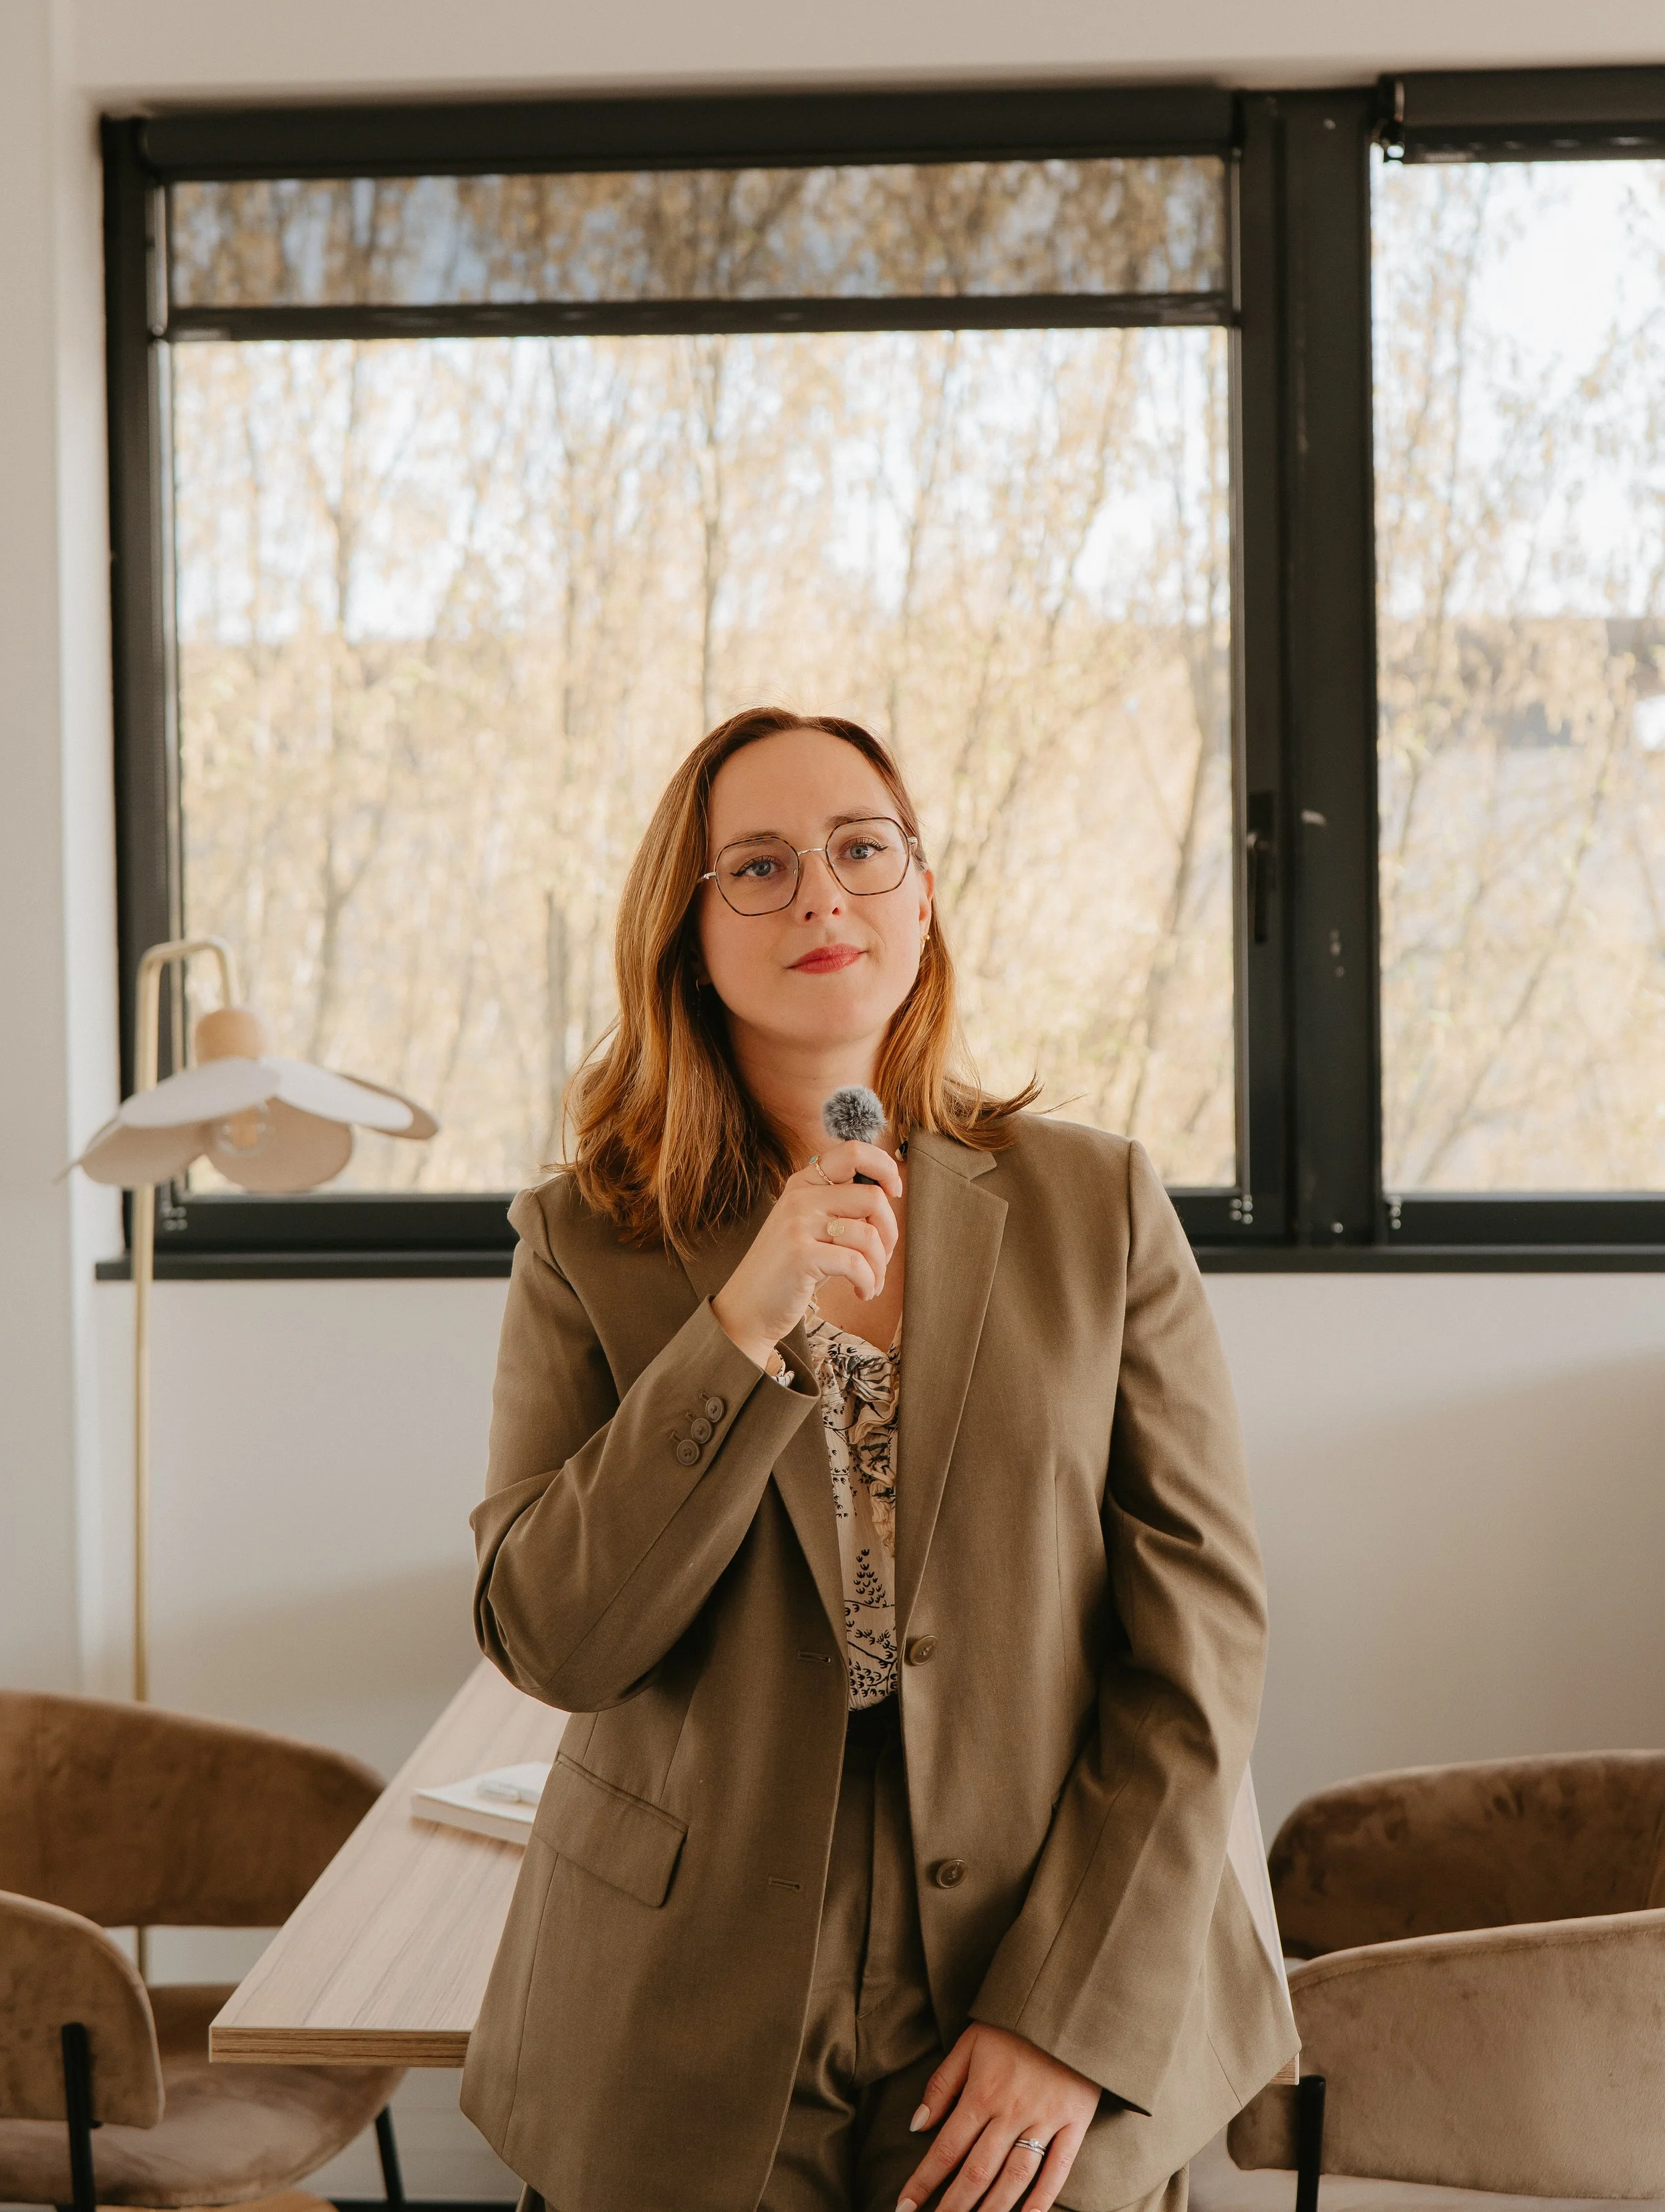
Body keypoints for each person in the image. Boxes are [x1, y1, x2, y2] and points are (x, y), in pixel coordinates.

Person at [461, 706, 1295, 2212]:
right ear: (686, 935)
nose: (822, 898)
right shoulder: (583, 1239)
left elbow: (1200, 1645)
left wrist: (1069, 2012)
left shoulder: (1091, 1205)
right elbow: (553, 1639)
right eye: (759, 868)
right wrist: (741, 1327)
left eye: (860, 850)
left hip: (1029, 1959)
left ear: (918, 893)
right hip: (685, 1998)